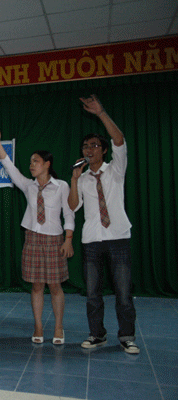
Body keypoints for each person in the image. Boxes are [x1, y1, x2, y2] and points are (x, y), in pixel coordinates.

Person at [0, 108, 74, 345]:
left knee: (55, 286)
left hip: (55, 240)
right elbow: (7, 164)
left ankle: (58, 327)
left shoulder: (62, 186)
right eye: (30, 162)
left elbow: (69, 214)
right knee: (36, 286)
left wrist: (68, 239)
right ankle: (38, 326)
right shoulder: (28, 185)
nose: (31, 165)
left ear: (47, 164)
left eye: (36, 161)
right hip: (33, 239)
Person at [68, 95, 139, 354]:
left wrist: (101, 113)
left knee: (123, 293)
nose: (89, 150)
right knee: (92, 294)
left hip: (118, 237)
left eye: (94, 145)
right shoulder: (83, 178)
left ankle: (127, 336)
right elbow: (73, 206)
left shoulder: (115, 170)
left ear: (104, 150)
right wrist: (74, 179)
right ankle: (97, 334)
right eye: (85, 147)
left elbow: (119, 140)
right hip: (92, 241)